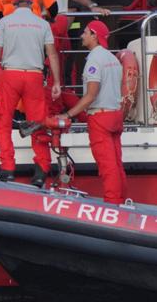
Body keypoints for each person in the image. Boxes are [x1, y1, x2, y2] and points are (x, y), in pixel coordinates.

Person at [0, 0, 62, 187]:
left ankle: (8, 168)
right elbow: (52, 55)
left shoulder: (5, 22)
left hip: (11, 74)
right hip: (34, 76)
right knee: (37, 123)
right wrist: (56, 83)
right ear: (32, 5)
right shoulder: (43, 24)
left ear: (13, 4)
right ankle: (41, 171)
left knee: (3, 122)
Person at [57, 21, 126, 204]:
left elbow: (90, 96)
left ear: (94, 35)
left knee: (107, 166)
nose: (82, 35)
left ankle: (113, 203)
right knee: (117, 164)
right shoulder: (112, 58)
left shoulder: (94, 60)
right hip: (116, 115)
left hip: (100, 118)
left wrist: (68, 114)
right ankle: (122, 201)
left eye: (86, 32)